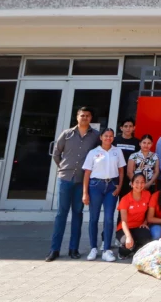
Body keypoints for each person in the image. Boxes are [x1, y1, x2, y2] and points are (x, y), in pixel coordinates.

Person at [47, 106, 100, 262]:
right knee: (61, 214)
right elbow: (56, 154)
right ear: (77, 117)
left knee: (77, 213)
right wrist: (64, 167)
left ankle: (73, 249)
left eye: (87, 115)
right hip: (65, 178)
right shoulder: (67, 134)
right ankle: (54, 249)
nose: (84, 118)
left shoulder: (95, 136)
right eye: (82, 115)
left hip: (82, 180)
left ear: (91, 118)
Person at [81, 127, 126, 261]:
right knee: (93, 218)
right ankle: (93, 248)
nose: (108, 138)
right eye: (106, 136)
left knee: (108, 218)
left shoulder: (117, 151)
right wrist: (85, 193)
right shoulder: (93, 152)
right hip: (95, 186)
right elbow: (87, 173)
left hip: (111, 186)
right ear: (101, 137)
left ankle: (106, 249)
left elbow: (121, 171)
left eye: (111, 136)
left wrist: (119, 186)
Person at [116, 173, 152, 259]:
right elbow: (123, 221)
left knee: (147, 238)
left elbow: (149, 212)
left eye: (142, 182)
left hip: (138, 226)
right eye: (137, 182)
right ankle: (123, 249)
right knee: (127, 245)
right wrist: (128, 237)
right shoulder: (125, 199)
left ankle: (135, 247)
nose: (139, 185)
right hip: (125, 228)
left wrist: (145, 222)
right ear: (132, 184)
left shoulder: (147, 195)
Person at [114, 118, 140, 198]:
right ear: (121, 128)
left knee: (125, 200)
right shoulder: (115, 140)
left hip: (129, 176)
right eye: (125, 126)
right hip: (115, 175)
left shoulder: (137, 142)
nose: (128, 128)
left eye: (130, 126)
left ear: (134, 128)